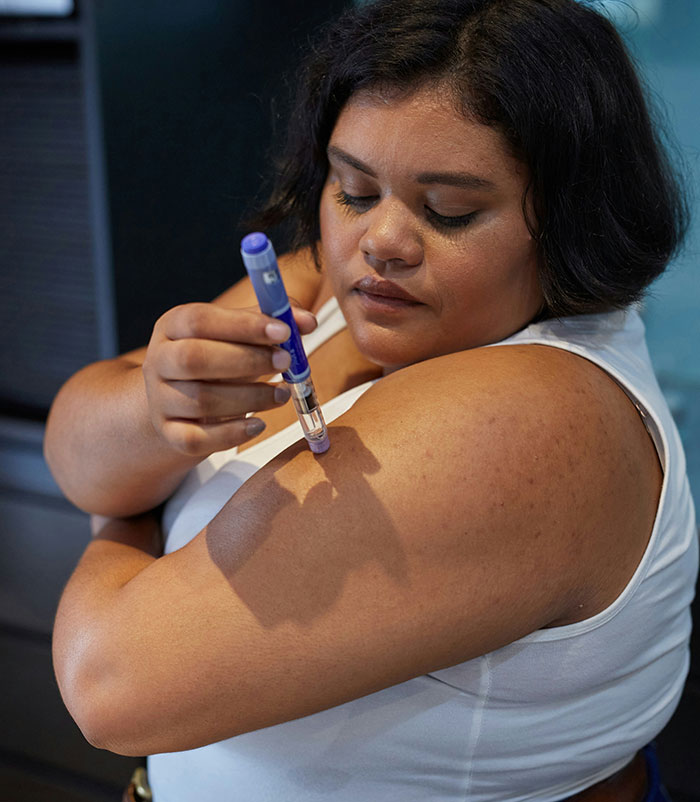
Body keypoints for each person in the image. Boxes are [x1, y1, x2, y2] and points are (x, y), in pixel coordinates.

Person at [46, 0, 696, 800]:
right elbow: (74, 443)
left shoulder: (528, 417)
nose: (380, 241)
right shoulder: (338, 281)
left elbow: (109, 687)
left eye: (448, 210)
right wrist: (151, 412)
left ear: (568, 220)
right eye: (354, 189)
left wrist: (124, 510)